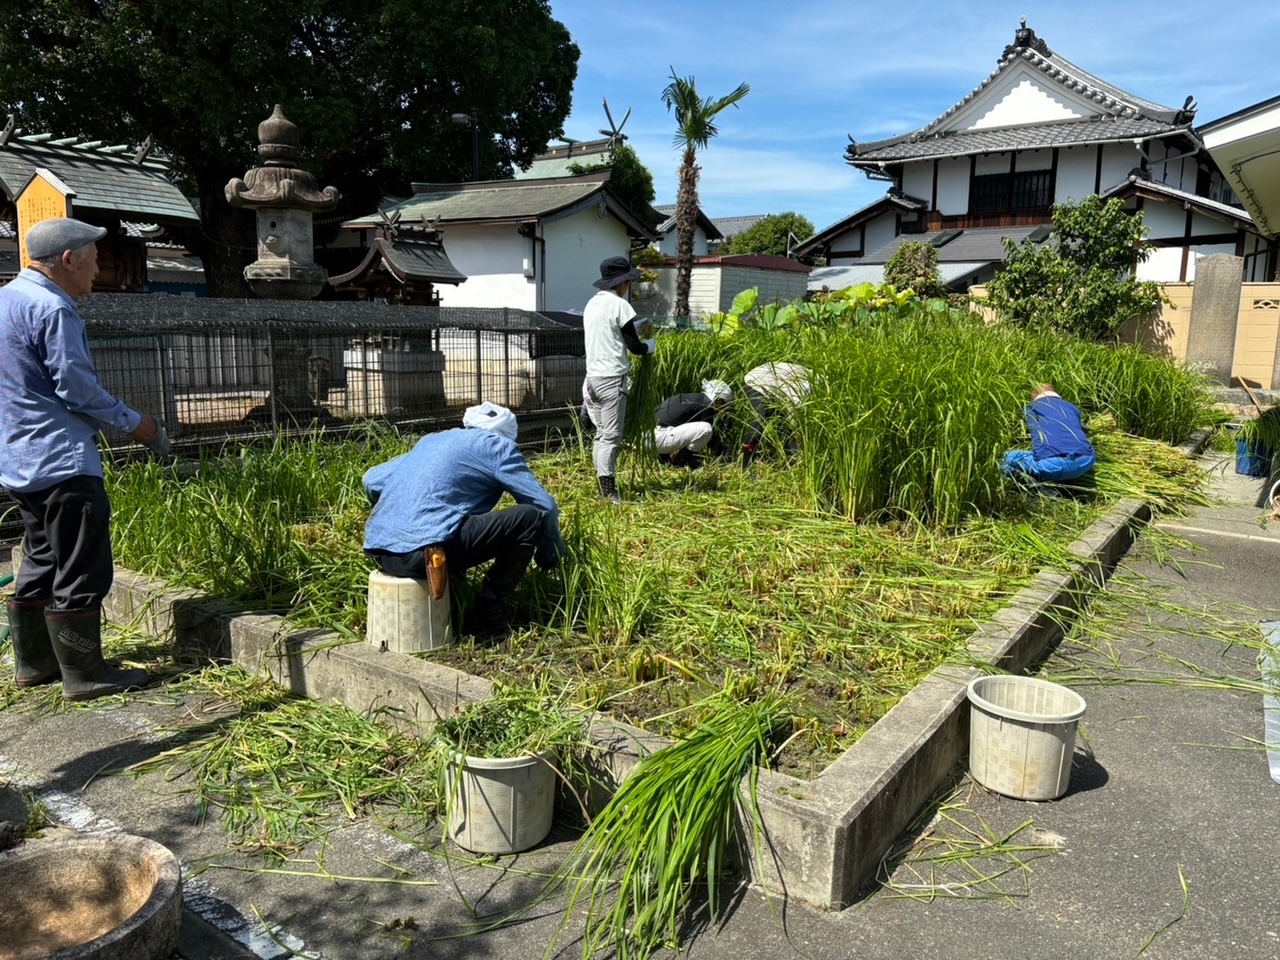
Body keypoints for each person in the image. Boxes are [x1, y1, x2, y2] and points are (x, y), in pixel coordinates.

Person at [0, 217, 170, 701]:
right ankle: (84, 674)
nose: (97, 272)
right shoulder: (54, 309)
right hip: (61, 458)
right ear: (69, 260)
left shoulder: (5, 300)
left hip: (17, 460)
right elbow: (75, 387)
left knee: (41, 558)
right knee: (81, 567)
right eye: (94, 262)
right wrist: (136, 422)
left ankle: (35, 664)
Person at [363, 401, 565, 637]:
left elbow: (371, 481)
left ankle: (457, 596)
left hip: (379, 550)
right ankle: (488, 613)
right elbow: (545, 506)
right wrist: (550, 556)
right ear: (508, 435)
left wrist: (397, 522)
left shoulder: (432, 440)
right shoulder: (497, 447)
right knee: (529, 518)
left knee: (452, 520)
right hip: (426, 555)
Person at [582, 256, 656, 502]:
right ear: (622, 282)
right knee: (611, 437)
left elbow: (613, 333)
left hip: (592, 379)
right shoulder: (619, 305)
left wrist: (639, 325)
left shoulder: (592, 304)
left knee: (602, 434)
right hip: (612, 380)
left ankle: (601, 485)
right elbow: (634, 347)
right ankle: (609, 492)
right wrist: (650, 346)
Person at [1001, 383, 1097, 487]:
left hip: (1051, 466)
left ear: (1034, 397)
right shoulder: (1073, 407)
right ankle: (1066, 479)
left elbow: (1035, 433)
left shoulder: (1031, 408)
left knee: (1006, 458)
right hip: (1086, 461)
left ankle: (1032, 486)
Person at [741, 361, 812, 464]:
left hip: (776, 386)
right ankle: (747, 467)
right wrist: (801, 441)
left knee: (783, 425)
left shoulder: (817, 382)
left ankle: (791, 459)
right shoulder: (807, 387)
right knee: (760, 420)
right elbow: (794, 416)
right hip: (758, 380)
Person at [654, 379, 732, 469]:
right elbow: (710, 436)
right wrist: (723, 452)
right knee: (706, 429)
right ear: (719, 399)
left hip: (646, 437)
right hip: (660, 439)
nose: (723, 408)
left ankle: (665, 462)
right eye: (724, 404)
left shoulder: (689, 398)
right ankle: (683, 461)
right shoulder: (707, 405)